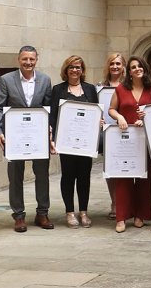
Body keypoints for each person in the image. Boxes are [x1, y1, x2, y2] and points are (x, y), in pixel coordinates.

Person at [0, 45, 53, 232]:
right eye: (25, 59)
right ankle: (18, 216)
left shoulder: (44, 80)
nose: (28, 62)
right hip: (14, 137)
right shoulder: (6, 80)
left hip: (38, 136)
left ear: (37, 59)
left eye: (31, 59)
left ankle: (42, 213)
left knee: (42, 175)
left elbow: (48, 108)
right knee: (15, 176)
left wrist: (50, 131)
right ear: (19, 60)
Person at [49, 55, 99, 228]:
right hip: (66, 142)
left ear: (82, 70)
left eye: (78, 67)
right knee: (68, 177)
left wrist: (98, 121)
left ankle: (83, 212)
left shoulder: (90, 89)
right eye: (71, 67)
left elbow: (96, 112)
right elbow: (53, 117)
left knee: (84, 177)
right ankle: (70, 212)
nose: (75, 70)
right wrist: (53, 139)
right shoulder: (58, 90)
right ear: (66, 69)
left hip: (86, 143)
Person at [107, 56, 151, 233]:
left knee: (143, 178)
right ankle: (121, 217)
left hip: (144, 140)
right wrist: (120, 117)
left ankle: (140, 215)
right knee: (123, 178)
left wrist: (146, 118)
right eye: (134, 67)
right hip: (124, 140)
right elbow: (112, 109)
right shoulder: (121, 88)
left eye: (140, 66)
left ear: (144, 68)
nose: (137, 69)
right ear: (129, 70)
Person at [98, 52, 125, 219]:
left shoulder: (129, 85)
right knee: (110, 169)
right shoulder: (100, 87)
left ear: (123, 66)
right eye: (112, 63)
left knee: (127, 168)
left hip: (126, 131)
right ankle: (115, 202)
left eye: (118, 64)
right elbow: (96, 108)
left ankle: (126, 202)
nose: (115, 66)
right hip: (107, 132)